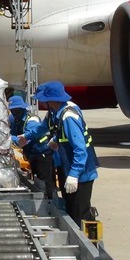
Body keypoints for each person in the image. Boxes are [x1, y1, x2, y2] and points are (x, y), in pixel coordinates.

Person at [19, 81, 99, 225]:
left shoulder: (68, 116)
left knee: (79, 213)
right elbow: (42, 128)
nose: (42, 103)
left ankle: (89, 241)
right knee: (70, 207)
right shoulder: (55, 112)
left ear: (50, 100)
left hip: (81, 171)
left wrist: (74, 175)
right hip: (66, 165)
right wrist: (27, 137)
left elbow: (80, 150)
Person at [8, 96, 55, 198]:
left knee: (45, 180)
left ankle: (50, 200)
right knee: (37, 179)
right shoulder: (15, 119)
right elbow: (11, 131)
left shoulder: (32, 120)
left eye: (16, 110)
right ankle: (43, 196)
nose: (14, 112)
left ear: (22, 109)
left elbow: (25, 140)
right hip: (31, 154)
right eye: (12, 110)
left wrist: (9, 138)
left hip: (42, 153)